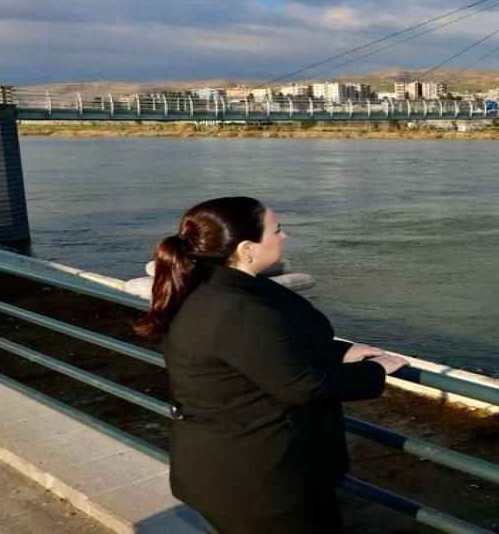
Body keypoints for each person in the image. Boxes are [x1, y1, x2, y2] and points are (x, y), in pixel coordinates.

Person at [133, 196, 406, 533]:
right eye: (276, 230)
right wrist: (376, 369)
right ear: (247, 249)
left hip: (230, 468)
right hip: (259, 481)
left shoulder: (207, 286)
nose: (284, 236)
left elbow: (263, 353)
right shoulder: (237, 309)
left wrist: (338, 353)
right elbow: (303, 385)